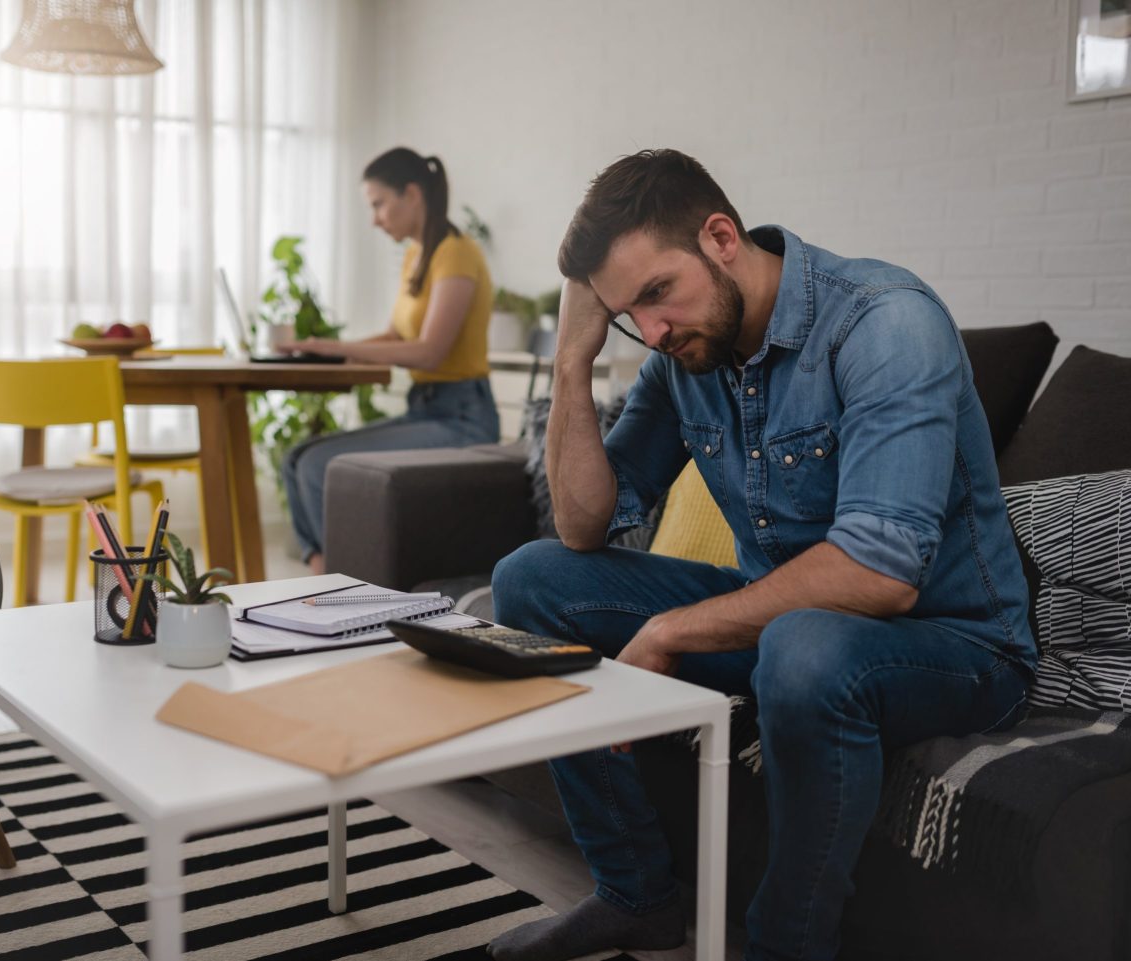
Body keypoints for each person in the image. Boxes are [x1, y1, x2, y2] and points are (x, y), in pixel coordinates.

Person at [487, 150, 1036, 961]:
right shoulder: (685, 358)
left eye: (656, 292)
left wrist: (673, 630)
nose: (654, 330)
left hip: (957, 647)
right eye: (626, 312)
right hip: (782, 630)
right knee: (530, 579)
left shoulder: (884, 322)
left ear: (720, 237)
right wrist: (574, 361)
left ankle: (788, 945)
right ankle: (633, 893)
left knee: (802, 642)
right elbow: (584, 527)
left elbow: (879, 574)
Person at [284, 147, 500, 573]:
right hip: (426, 407)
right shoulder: (415, 254)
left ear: (413, 194)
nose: (375, 218)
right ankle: (328, 573)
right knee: (296, 459)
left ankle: (343, 584)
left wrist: (340, 349)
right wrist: (324, 351)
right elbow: (395, 336)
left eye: (379, 204)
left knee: (316, 464)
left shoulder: (456, 252)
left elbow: (429, 351)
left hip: (462, 418)